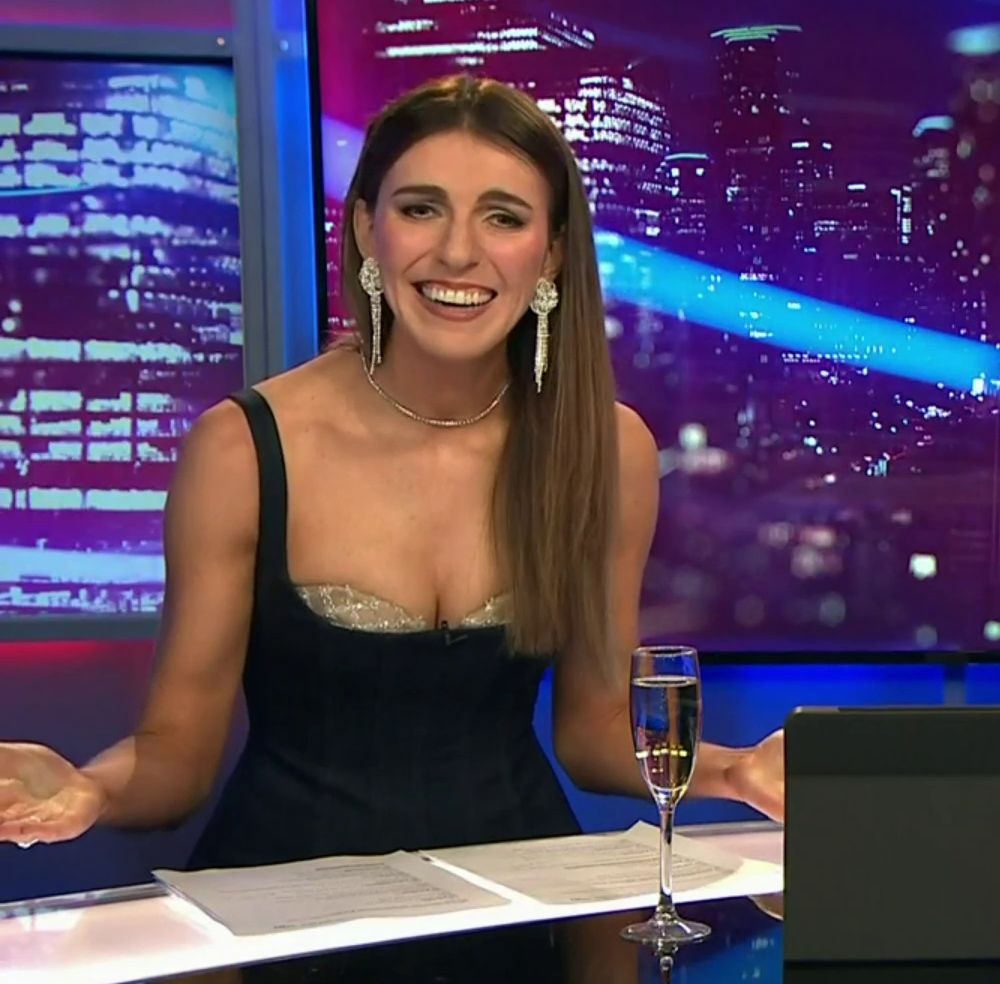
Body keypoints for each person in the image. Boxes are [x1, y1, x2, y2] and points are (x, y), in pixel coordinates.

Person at [0, 75, 784, 864]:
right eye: (420, 210)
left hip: (523, 903)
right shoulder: (243, 450)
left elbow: (595, 732)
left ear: (550, 254)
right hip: (284, 898)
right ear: (368, 230)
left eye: (503, 218)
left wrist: (735, 771)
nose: (458, 252)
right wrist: (88, 787)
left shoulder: (606, 448)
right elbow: (175, 755)